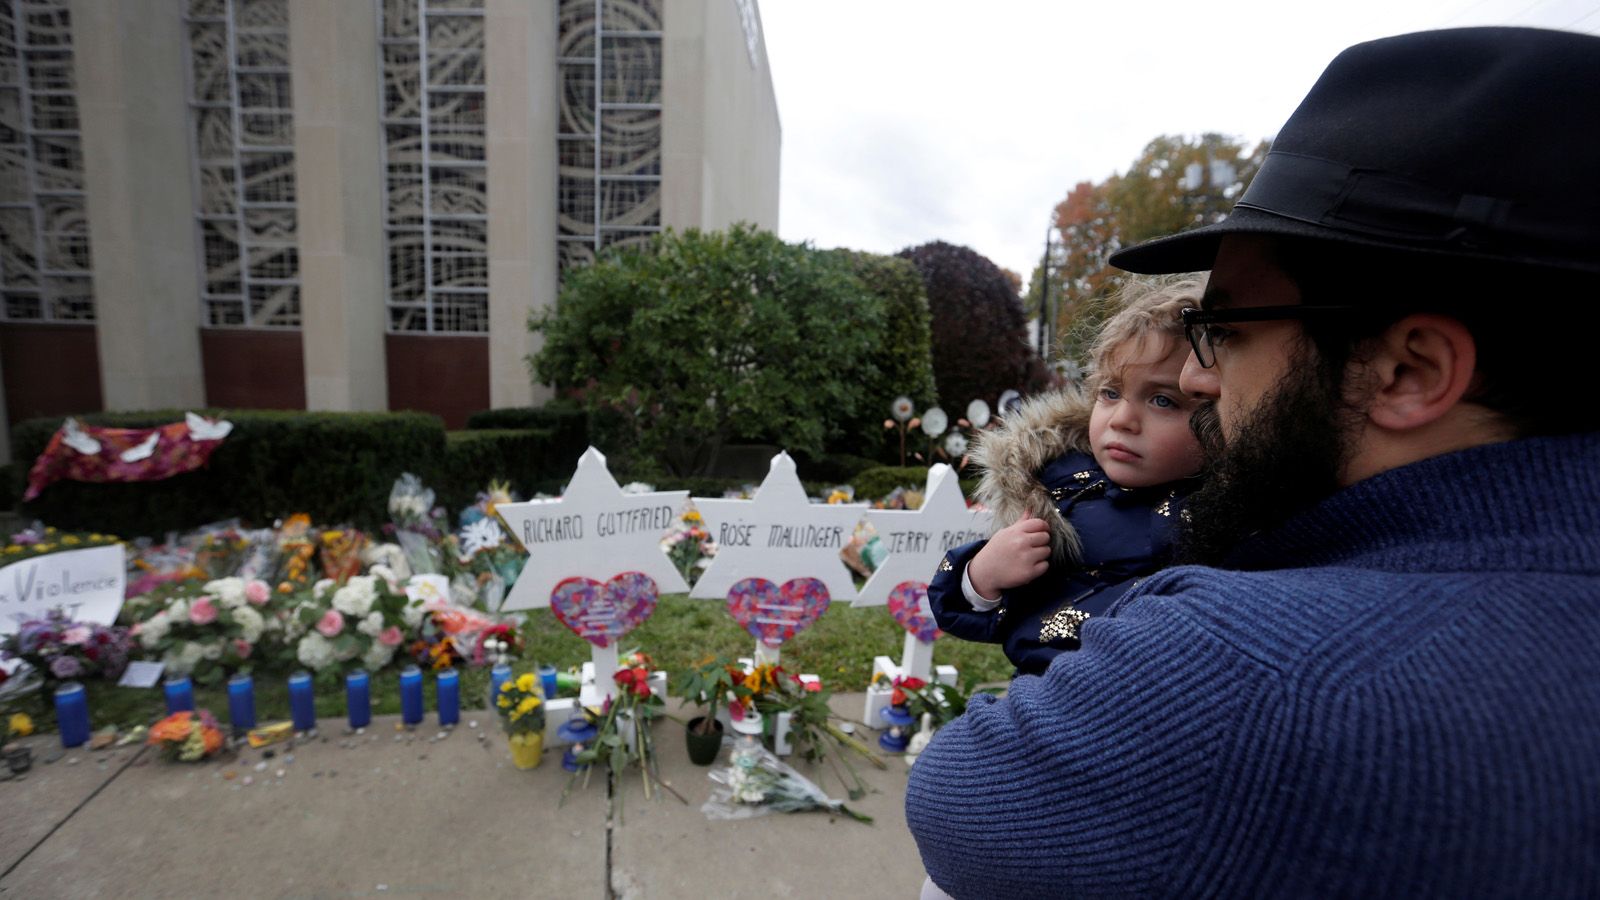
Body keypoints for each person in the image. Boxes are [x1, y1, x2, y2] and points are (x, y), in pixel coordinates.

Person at [906, 27, 1600, 898]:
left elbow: (956, 799)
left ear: (1407, 371)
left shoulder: (1248, 672)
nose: (1201, 377)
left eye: (1225, 331)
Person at [926, 276, 1207, 676]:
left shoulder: (1225, 516)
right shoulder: (1060, 487)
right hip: (1040, 694)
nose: (1122, 419)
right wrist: (984, 574)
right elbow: (965, 606)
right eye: (1110, 393)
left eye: (1163, 400)